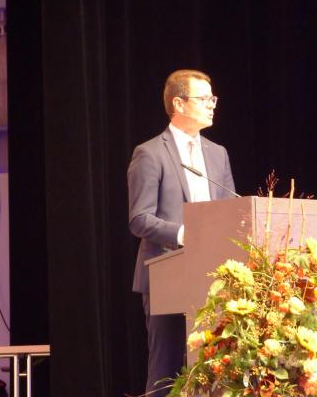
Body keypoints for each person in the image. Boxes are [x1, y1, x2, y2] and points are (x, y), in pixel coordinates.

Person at [127, 69, 235, 395]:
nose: (212, 105)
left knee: (217, 370)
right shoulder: (150, 153)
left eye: (212, 98)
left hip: (215, 278)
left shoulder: (218, 153)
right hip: (167, 276)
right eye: (204, 99)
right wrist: (185, 234)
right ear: (179, 103)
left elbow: (230, 212)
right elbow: (139, 219)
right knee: (166, 372)